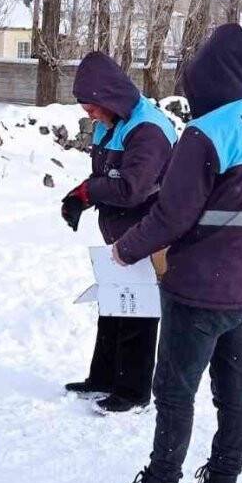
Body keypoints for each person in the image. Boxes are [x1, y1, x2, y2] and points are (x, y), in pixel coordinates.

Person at [92, 24, 242, 483]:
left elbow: (172, 214)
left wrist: (126, 249)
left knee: (175, 391)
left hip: (201, 288)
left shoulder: (208, 132)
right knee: (235, 392)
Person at [61, 51, 177, 415]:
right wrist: (80, 196)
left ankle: (133, 391)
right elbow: (105, 176)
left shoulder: (148, 129)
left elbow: (131, 188)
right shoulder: (110, 123)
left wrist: (90, 192)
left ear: (110, 97)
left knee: (137, 309)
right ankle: (103, 378)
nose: (90, 115)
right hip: (120, 232)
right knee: (114, 303)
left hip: (149, 233)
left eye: (93, 107)